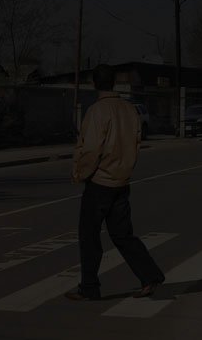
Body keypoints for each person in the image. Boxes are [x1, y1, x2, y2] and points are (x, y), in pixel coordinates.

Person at [66, 64, 165, 301]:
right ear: (114, 82)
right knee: (123, 235)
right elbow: (136, 143)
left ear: (94, 83)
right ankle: (149, 276)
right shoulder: (130, 109)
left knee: (89, 236)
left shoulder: (97, 111)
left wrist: (80, 173)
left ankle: (89, 287)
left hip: (99, 183)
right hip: (121, 182)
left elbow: (91, 150)